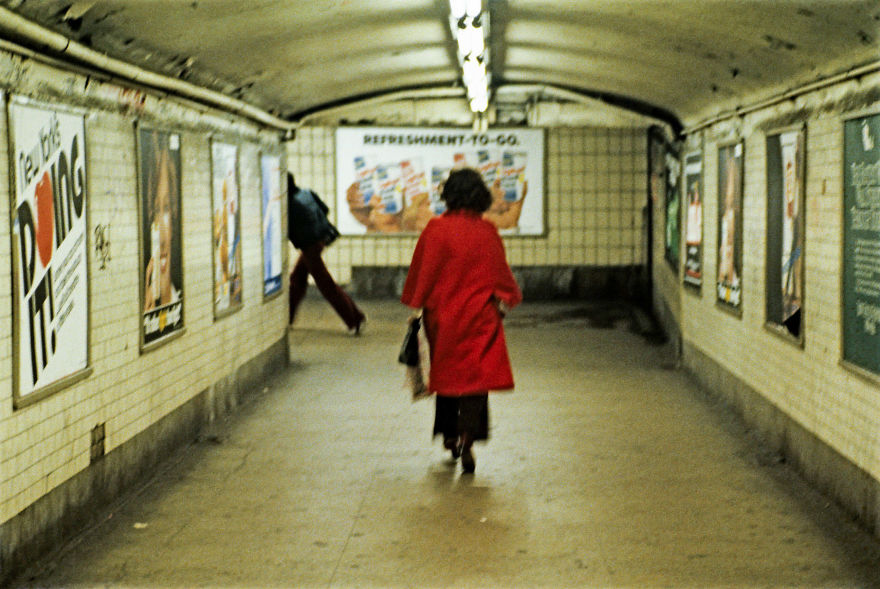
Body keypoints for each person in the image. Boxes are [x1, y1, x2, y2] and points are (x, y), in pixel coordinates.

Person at [401, 168, 523, 474]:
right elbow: (500, 277)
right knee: (474, 381)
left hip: (442, 317)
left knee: (446, 378)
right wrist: (508, 298)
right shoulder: (487, 231)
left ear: (449, 195)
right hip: (480, 318)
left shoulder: (435, 230)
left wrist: (416, 304)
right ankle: (469, 438)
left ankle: (450, 435)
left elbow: (422, 274)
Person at [288, 172, 365, 333]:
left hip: (309, 246)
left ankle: (355, 318)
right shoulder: (306, 193)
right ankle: (286, 318)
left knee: (325, 284)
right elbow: (325, 209)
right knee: (297, 279)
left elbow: (289, 229)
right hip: (320, 240)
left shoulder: (289, 203)